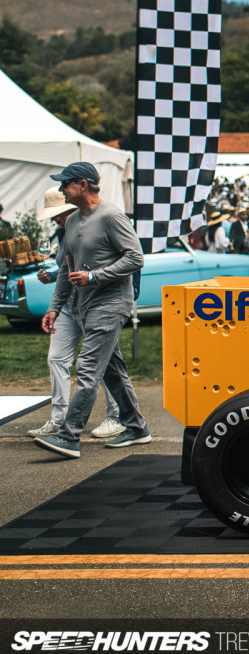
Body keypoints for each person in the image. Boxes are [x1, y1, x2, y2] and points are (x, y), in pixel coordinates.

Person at [34, 162, 151, 458]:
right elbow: (65, 270)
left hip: (111, 305)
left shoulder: (111, 215)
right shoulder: (72, 222)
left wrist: (96, 276)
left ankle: (69, 435)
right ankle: (137, 428)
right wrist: (54, 308)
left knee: (87, 368)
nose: (62, 189)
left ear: (83, 184)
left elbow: (136, 258)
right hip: (85, 307)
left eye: (66, 184)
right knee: (112, 370)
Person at [26, 188, 124, 439]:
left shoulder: (105, 220)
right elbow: (66, 270)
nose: (56, 219)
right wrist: (53, 306)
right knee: (57, 359)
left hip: (99, 306)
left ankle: (116, 417)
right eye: (54, 216)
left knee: (102, 365)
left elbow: (130, 259)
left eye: (59, 214)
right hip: (71, 307)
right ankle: (59, 418)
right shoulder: (64, 232)